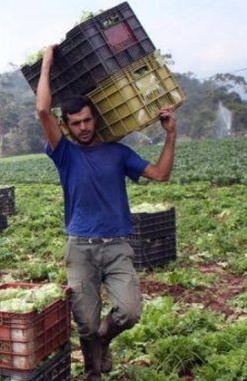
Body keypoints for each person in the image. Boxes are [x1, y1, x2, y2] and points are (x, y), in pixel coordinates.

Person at [36, 45, 177, 381]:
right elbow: (43, 109)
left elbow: (161, 174)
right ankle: (92, 372)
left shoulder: (118, 153)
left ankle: (104, 338)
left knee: (129, 312)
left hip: (116, 246)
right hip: (80, 247)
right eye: (76, 123)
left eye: (87, 120)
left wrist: (170, 134)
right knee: (84, 320)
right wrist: (46, 63)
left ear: (95, 118)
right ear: (67, 127)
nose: (83, 127)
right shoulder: (64, 153)